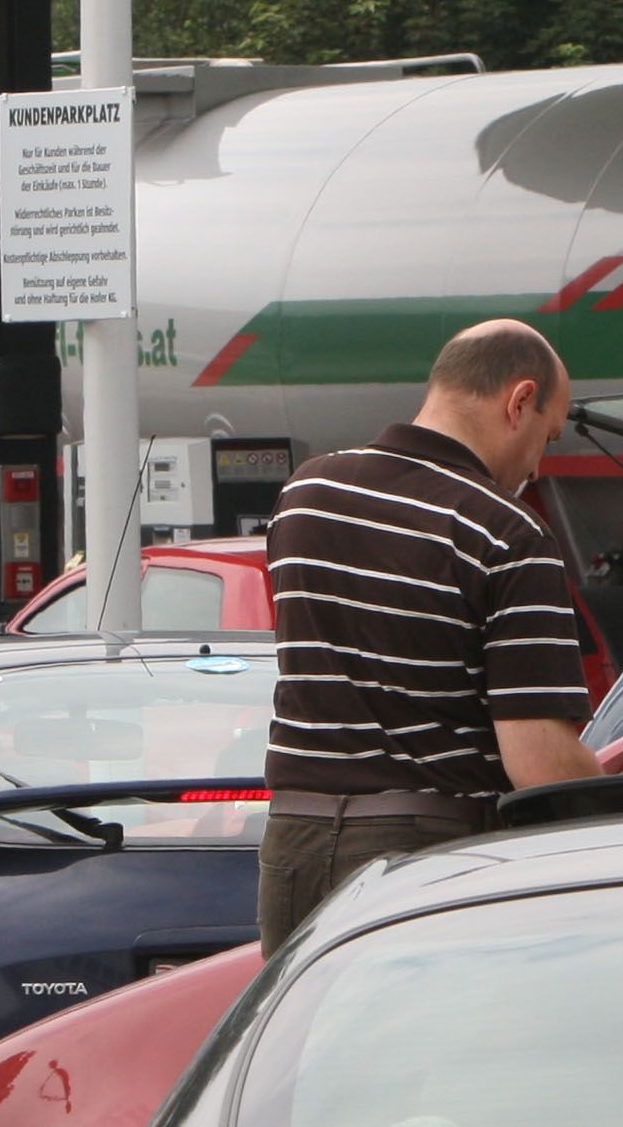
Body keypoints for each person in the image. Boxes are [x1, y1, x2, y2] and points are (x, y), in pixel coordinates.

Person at [256, 318, 599, 952]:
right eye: (546, 437)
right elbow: (538, 761)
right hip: (422, 856)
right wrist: (620, 821)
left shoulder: (305, 494)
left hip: (292, 842)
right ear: (518, 401)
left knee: (303, 1046)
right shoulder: (505, 534)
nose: (537, 463)